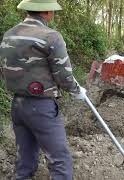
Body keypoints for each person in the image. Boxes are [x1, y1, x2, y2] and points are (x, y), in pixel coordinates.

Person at [0, 0, 86, 179]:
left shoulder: (9, 35)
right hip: (41, 107)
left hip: (17, 105)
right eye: (52, 11)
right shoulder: (51, 36)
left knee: (25, 158)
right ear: (46, 11)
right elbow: (64, 75)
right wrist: (77, 90)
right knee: (59, 159)